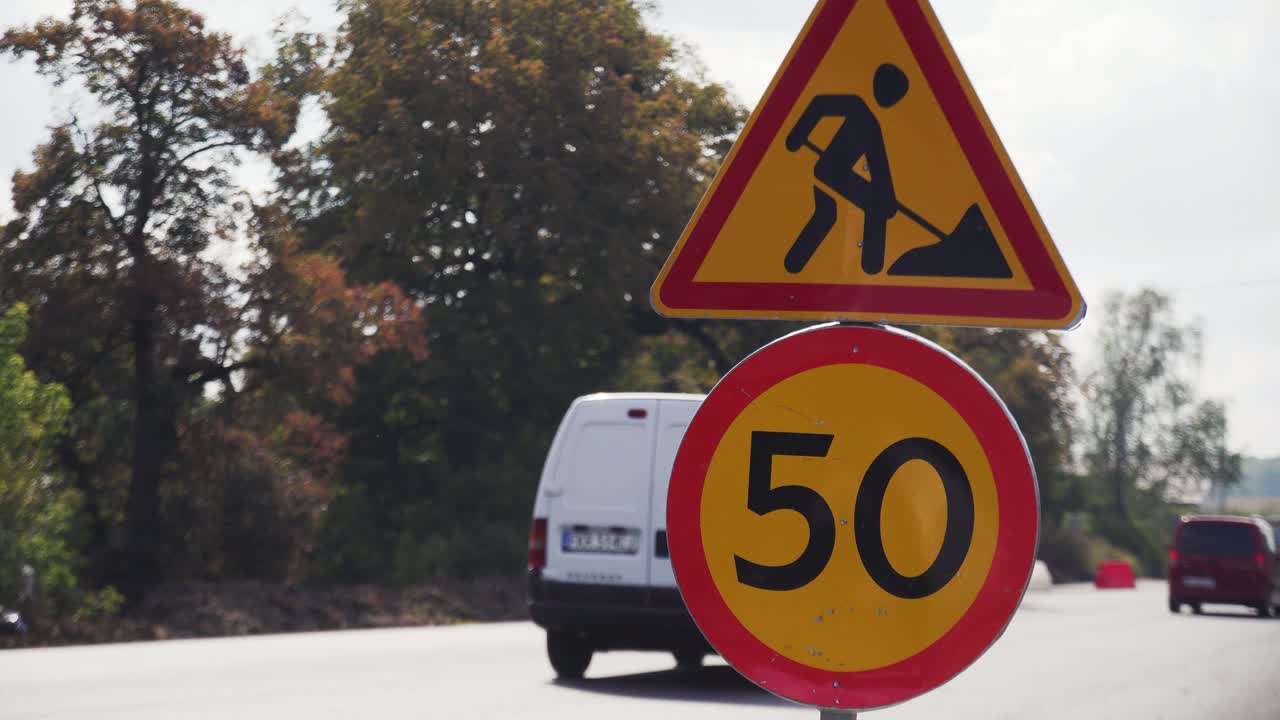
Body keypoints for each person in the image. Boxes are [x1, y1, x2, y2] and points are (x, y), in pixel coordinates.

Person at [783, 63, 909, 275]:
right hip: (829, 171)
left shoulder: (872, 125)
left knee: (870, 207)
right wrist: (796, 136)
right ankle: (870, 266)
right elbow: (819, 105)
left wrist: (888, 199)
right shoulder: (858, 108)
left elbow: (879, 167)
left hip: (835, 174)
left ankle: (870, 266)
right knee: (831, 214)